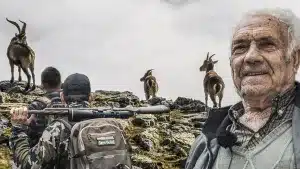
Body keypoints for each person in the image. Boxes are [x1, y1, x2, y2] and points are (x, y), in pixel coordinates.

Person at [185, 8, 300, 169]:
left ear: (294, 59)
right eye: (240, 48)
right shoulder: (204, 142)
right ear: (231, 62)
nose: (251, 57)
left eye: (267, 44)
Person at [9, 73, 92, 169]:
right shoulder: (107, 123)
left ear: (62, 97)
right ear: (90, 97)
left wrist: (18, 129)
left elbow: (28, 165)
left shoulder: (57, 129)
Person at [26, 66, 63, 148]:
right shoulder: (68, 101)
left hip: (43, 152)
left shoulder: (36, 105)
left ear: (43, 84)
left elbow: (30, 135)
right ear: (60, 83)